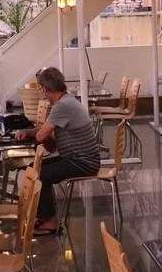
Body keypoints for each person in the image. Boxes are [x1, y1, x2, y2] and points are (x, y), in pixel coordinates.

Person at [15, 67, 100, 235]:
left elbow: (41, 136)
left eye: (42, 89)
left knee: (39, 174)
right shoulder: (67, 100)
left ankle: (51, 222)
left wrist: (35, 134)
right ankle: (45, 215)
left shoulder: (62, 106)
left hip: (83, 162)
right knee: (34, 168)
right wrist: (29, 132)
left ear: (45, 88)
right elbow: (44, 132)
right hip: (78, 158)